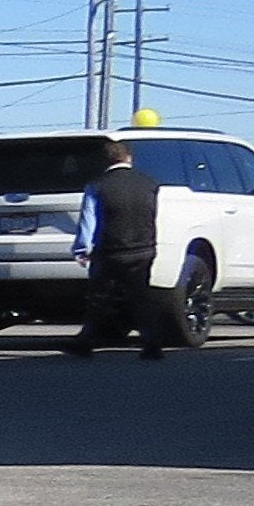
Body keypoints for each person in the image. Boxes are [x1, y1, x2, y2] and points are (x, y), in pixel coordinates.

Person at [64, 137, 175, 361]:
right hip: (143, 249)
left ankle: (85, 342)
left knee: (98, 298)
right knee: (141, 297)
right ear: (129, 158)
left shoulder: (98, 185)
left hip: (110, 250)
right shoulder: (150, 183)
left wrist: (82, 249)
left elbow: (89, 220)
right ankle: (152, 344)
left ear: (106, 161)